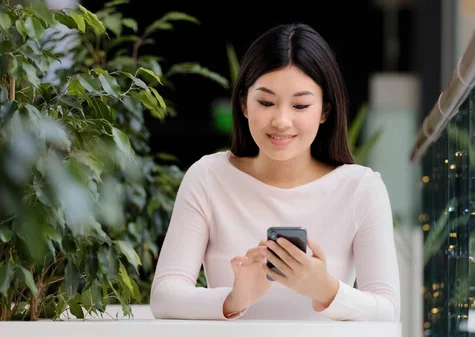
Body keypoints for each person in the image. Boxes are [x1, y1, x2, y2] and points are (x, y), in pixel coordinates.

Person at [150, 23, 400, 321]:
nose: (281, 121)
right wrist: (235, 298)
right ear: (244, 103)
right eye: (266, 102)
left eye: (300, 105)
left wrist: (326, 289)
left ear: (324, 112)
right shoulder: (207, 177)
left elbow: (388, 310)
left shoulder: (362, 188)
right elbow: (165, 296)